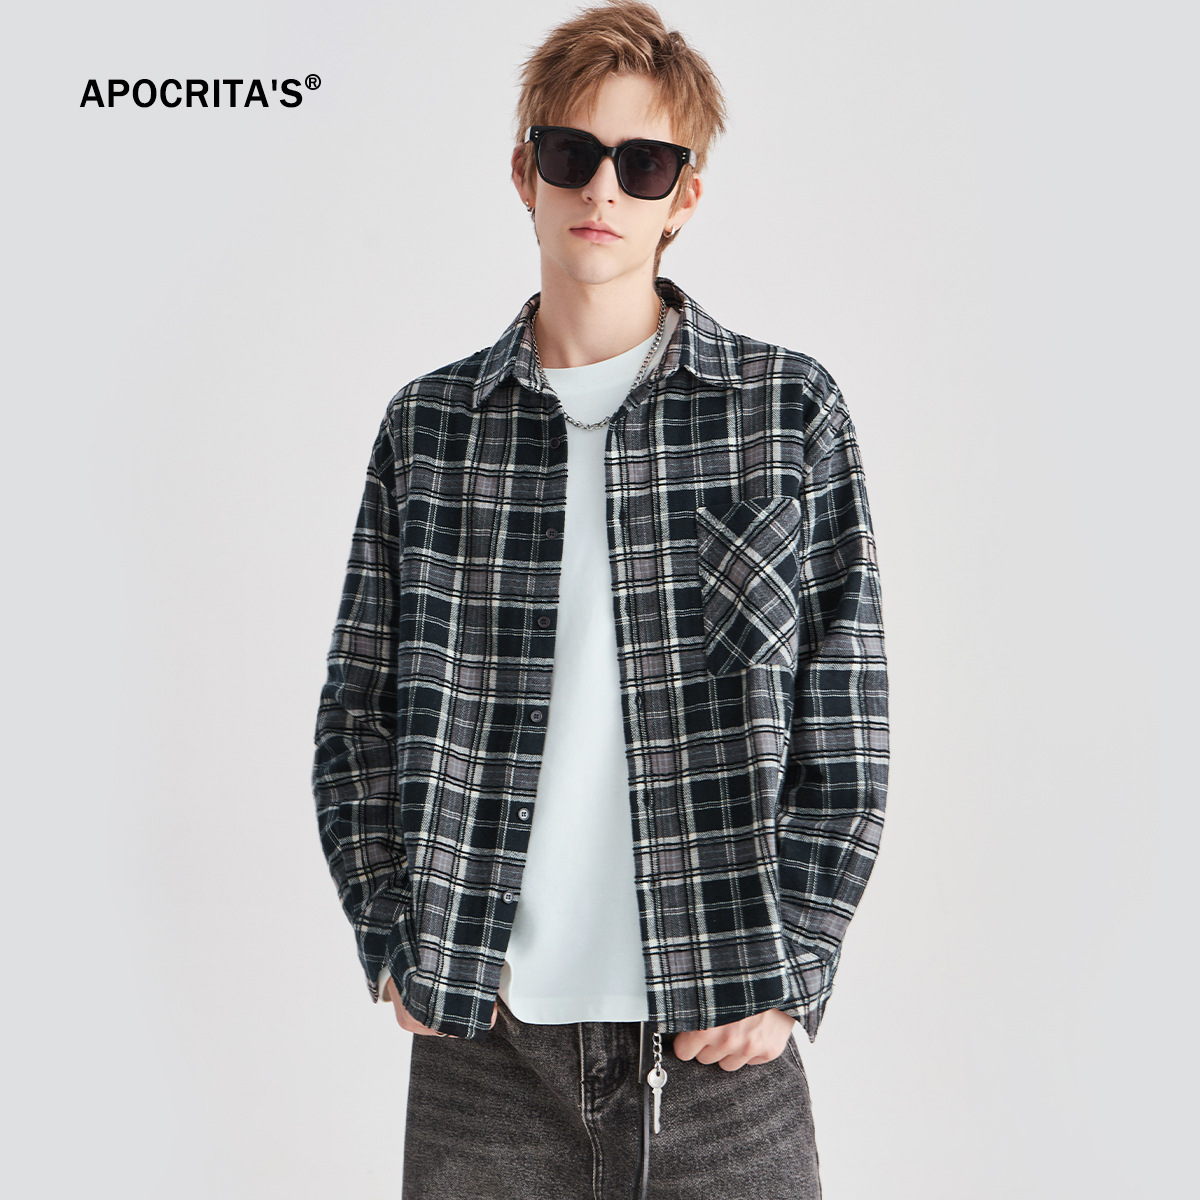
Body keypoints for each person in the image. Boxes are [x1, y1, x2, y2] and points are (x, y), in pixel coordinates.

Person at [311, 2, 889, 1196]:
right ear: (524, 172)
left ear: (687, 195)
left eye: (644, 165)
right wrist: (391, 933)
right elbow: (355, 712)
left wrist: (794, 965)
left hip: (722, 1043)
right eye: (572, 153)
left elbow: (847, 715)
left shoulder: (784, 414)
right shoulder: (432, 431)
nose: (602, 191)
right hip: (484, 1052)